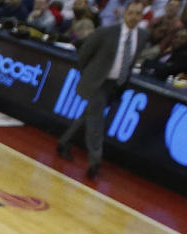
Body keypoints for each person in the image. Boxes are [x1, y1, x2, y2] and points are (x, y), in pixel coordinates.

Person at [56, 0, 148, 178]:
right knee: (96, 123)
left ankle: (64, 142)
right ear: (124, 13)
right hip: (98, 83)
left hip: (116, 84)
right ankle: (94, 163)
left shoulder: (143, 36)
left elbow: (130, 62)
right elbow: (84, 54)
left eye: (138, 14)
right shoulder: (107, 32)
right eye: (131, 13)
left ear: (142, 16)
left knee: (88, 116)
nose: (134, 17)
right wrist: (89, 75)